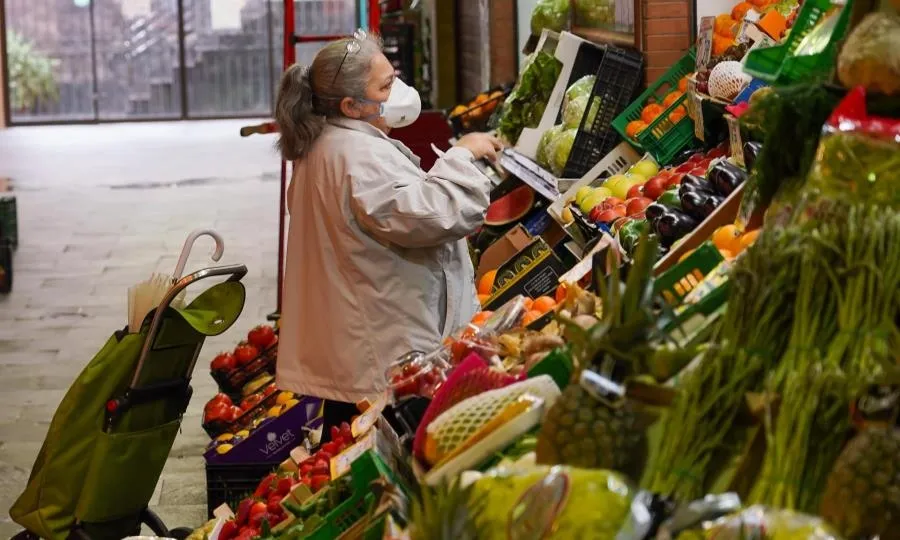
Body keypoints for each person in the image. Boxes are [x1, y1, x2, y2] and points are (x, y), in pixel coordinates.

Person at [273, 30, 501, 440]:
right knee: (376, 452)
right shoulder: (358, 157)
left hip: (361, 344)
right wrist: (463, 154)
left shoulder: (331, 143)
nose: (398, 92)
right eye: (386, 85)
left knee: (348, 441)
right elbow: (436, 215)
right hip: (379, 353)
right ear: (351, 105)